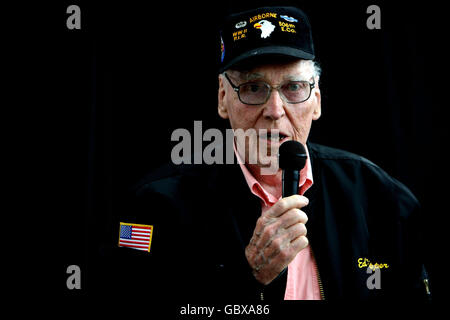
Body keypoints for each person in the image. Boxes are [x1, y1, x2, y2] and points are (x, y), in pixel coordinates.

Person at [114, 6, 430, 301]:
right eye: (253, 88)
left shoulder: (380, 196)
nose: (275, 111)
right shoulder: (150, 207)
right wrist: (246, 275)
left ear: (316, 100)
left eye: (293, 88)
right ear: (223, 99)